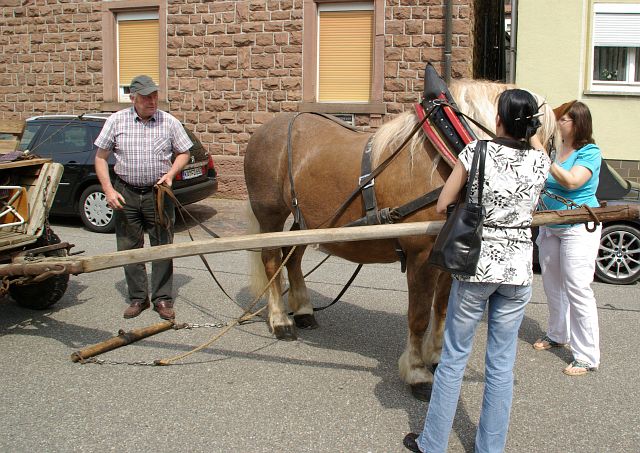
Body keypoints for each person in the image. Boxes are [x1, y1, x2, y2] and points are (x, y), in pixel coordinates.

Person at [403, 89, 551, 453]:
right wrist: (531, 132)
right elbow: (539, 154)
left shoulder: (476, 152)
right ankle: (490, 447)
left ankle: (432, 443)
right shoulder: (540, 163)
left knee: (454, 358)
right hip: (517, 272)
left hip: (477, 267)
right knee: (501, 366)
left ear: (498, 119)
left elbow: (443, 204)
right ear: (531, 125)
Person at [94, 75, 192, 320]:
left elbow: (184, 153)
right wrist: (108, 190)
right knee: (129, 247)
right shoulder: (116, 121)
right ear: (133, 98)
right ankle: (138, 298)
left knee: (162, 246)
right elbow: (100, 157)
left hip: (158, 193)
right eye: (146, 97)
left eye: (155, 95)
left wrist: (171, 174)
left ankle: (162, 299)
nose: (152, 101)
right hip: (126, 192)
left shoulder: (169, 121)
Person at [532, 100, 602, 376]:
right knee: (552, 284)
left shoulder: (590, 152)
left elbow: (572, 181)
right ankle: (557, 333)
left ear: (578, 123)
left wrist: (540, 151)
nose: (558, 122)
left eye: (563, 119)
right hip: (551, 224)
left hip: (578, 227)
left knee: (578, 288)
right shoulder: (555, 149)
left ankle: (587, 355)